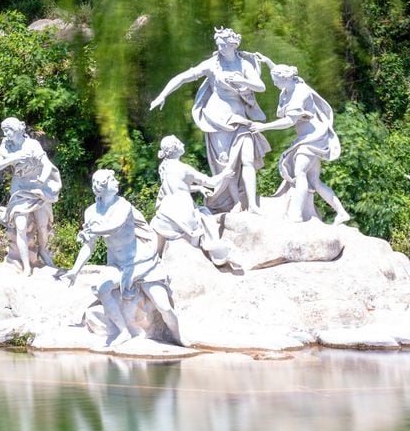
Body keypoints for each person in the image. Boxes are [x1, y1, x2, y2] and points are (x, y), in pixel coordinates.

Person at [150, 27, 270, 214]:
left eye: (223, 45)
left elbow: (261, 86)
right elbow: (184, 77)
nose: (220, 48)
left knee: (247, 159)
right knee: (227, 163)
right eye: (218, 45)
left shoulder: (244, 65)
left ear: (233, 45)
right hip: (217, 119)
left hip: (240, 119)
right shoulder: (212, 65)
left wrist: (242, 81)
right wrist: (163, 95)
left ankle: (252, 204)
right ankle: (236, 202)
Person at [65, 169, 181, 347]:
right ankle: (124, 331)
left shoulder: (123, 206)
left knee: (164, 306)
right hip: (117, 264)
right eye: (112, 179)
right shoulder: (91, 213)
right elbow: (89, 246)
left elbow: (114, 226)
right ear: (101, 187)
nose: (116, 181)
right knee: (103, 289)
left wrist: (91, 230)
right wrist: (75, 270)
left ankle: (178, 336)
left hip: (141, 262)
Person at [250, 64, 350, 225]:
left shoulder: (299, 94)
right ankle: (342, 212)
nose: (274, 84)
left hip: (313, 137)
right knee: (314, 180)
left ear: (285, 78)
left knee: (300, 173)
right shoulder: (293, 83)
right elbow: (282, 70)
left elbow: (289, 121)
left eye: (276, 80)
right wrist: (268, 62)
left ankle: (295, 215)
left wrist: (264, 126)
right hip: (309, 136)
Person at [0, 117, 61, 276]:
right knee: (20, 227)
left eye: (9, 130)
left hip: (37, 185)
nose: (6, 133)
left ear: (19, 129)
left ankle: (43, 251)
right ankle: (26, 265)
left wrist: (42, 179)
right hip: (19, 188)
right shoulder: (6, 146)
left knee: (42, 226)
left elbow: (47, 164)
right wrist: (13, 158)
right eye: (4, 130)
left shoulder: (32, 144)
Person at [152, 135, 237, 268]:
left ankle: (155, 258)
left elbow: (178, 187)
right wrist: (224, 173)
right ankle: (216, 254)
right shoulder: (184, 168)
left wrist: (198, 188)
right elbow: (211, 182)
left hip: (166, 211)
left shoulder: (164, 167)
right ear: (175, 148)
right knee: (206, 215)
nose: (183, 145)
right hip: (183, 211)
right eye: (180, 143)